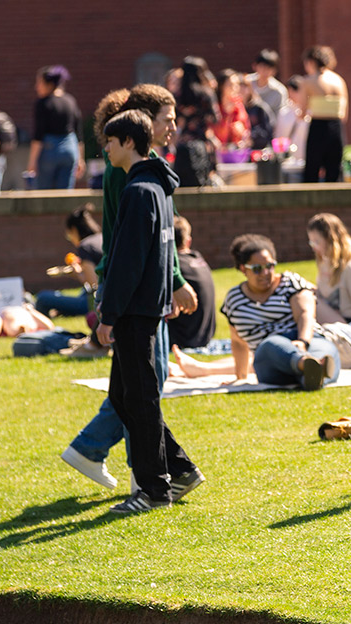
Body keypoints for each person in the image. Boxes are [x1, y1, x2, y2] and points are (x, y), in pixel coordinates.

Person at [61, 84, 198, 491]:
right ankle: (136, 468)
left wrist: (171, 282)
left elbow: (162, 237)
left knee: (138, 386)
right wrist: (171, 283)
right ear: (141, 123)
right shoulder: (134, 176)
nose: (173, 127)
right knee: (141, 387)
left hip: (142, 292)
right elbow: (130, 243)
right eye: (166, 119)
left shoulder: (151, 172)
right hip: (134, 293)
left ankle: (166, 468)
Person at [94, 109, 202, 514]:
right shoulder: (155, 186)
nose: (105, 149)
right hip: (146, 308)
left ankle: (154, 489)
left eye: (109, 141)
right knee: (124, 397)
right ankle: (180, 468)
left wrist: (109, 314)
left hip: (135, 312)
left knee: (139, 399)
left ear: (127, 143)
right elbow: (161, 253)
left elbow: (129, 261)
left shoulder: (140, 191)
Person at [177, 262, 351, 378]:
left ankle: (202, 369)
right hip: (342, 334)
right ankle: (201, 368)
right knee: (278, 345)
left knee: (279, 350)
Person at [219, 234, 339, 389]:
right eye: (257, 269)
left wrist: (302, 342)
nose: (265, 273)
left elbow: (305, 314)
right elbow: (238, 342)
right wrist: (240, 378)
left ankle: (313, 375)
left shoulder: (290, 283)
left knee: (326, 354)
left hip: (309, 341)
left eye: (269, 266)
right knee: (271, 344)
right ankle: (304, 364)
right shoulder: (234, 299)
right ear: (243, 269)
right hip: (270, 359)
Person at [36, 203, 104, 318]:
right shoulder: (101, 238)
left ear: (74, 230)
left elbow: (94, 283)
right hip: (112, 296)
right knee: (82, 292)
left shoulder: (85, 246)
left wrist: (77, 273)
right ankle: (62, 311)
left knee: (43, 298)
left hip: (97, 302)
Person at [25, 65, 86, 190]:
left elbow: (38, 135)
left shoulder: (43, 103)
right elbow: (78, 133)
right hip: (70, 150)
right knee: (65, 194)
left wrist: (32, 161)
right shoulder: (70, 101)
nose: (36, 87)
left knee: (44, 196)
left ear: (49, 84)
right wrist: (81, 158)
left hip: (49, 151)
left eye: (39, 83)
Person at [307, 212, 351, 324]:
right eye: (311, 242)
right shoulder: (326, 260)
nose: (314, 247)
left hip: (347, 324)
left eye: (317, 242)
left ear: (331, 239)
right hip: (329, 318)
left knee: (305, 299)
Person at [300, 46, 348, 183]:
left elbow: (302, 112)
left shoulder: (308, 81)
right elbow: (344, 114)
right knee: (334, 173)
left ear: (311, 62)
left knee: (311, 173)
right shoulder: (339, 81)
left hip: (318, 127)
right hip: (336, 128)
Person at [167, 215, 216, 350]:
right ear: (188, 242)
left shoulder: (174, 268)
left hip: (182, 340)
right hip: (205, 336)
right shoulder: (198, 257)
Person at [174, 56, 221, 188]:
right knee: (204, 181)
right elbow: (216, 119)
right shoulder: (206, 94)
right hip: (202, 143)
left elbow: (176, 120)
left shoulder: (177, 96)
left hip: (183, 145)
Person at [213, 69, 251, 155]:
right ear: (221, 86)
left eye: (236, 84)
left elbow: (246, 129)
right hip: (218, 152)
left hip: (236, 152)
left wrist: (242, 132)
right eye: (231, 85)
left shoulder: (238, 104)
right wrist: (227, 115)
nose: (235, 88)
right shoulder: (214, 106)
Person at [249, 49, 289, 117]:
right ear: (255, 66)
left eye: (269, 68)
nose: (265, 71)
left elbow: (279, 116)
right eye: (262, 66)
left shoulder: (279, 91)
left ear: (274, 71)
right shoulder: (246, 83)